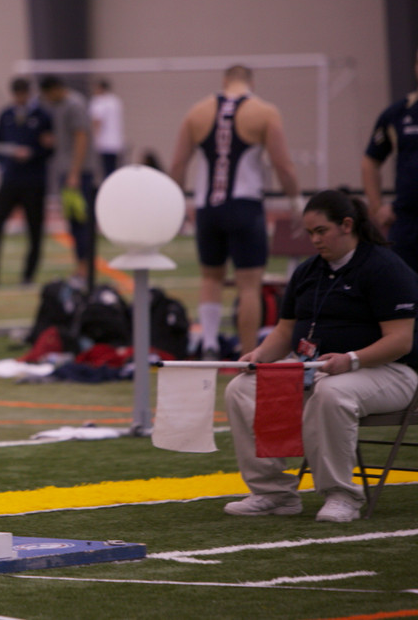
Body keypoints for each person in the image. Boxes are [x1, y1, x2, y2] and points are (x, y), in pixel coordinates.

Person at [223, 189, 418, 522]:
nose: (314, 240)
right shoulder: (306, 271)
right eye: (310, 233)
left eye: (320, 231)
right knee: (242, 387)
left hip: (392, 374)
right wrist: (257, 356)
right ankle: (273, 493)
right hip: (317, 369)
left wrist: (351, 359)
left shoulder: (385, 268)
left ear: (346, 225)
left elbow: (400, 342)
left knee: (331, 392)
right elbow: (285, 332)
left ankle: (343, 495)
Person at [169, 64, 304, 359]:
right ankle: (247, 354)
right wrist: (296, 201)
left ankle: (209, 344)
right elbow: (283, 164)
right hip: (245, 206)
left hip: (207, 207)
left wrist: (176, 203)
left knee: (210, 277)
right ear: (251, 82)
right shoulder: (264, 112)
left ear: (224, 81)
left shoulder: (197, 111)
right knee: (248, 285)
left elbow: (177, 164)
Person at [0, 77, 54, 286]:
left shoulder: (42, 116)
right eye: (17, 94)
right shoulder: (6, 115)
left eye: (23, 94)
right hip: (10, 180)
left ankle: (28, 276)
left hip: (34, 181)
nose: (20, 98)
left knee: (34, 229)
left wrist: (33, 153)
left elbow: (50, 148)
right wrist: (4, 164)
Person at [361, 47, 418, 275]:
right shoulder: (398, 114)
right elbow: (370, 161)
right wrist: (377, 208)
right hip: (407, 222)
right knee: (405, 290)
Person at [38, 75, 95, 287]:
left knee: (81, 221)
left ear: (55, 89)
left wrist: (75, 172)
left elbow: (82, 136)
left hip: (79, 173)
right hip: (68, 171)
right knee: (72, 221)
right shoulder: (60, 105)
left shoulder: (75, 104)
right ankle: (80, 265)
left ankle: (85, 268)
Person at [89, 78, 124, 179]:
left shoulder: (99, 101)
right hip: (116, 142)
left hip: (104, 143)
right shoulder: (115, 101)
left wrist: (94, 140)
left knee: (105, 172)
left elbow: (97, 122)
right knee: (113, 170)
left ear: (100, 88)